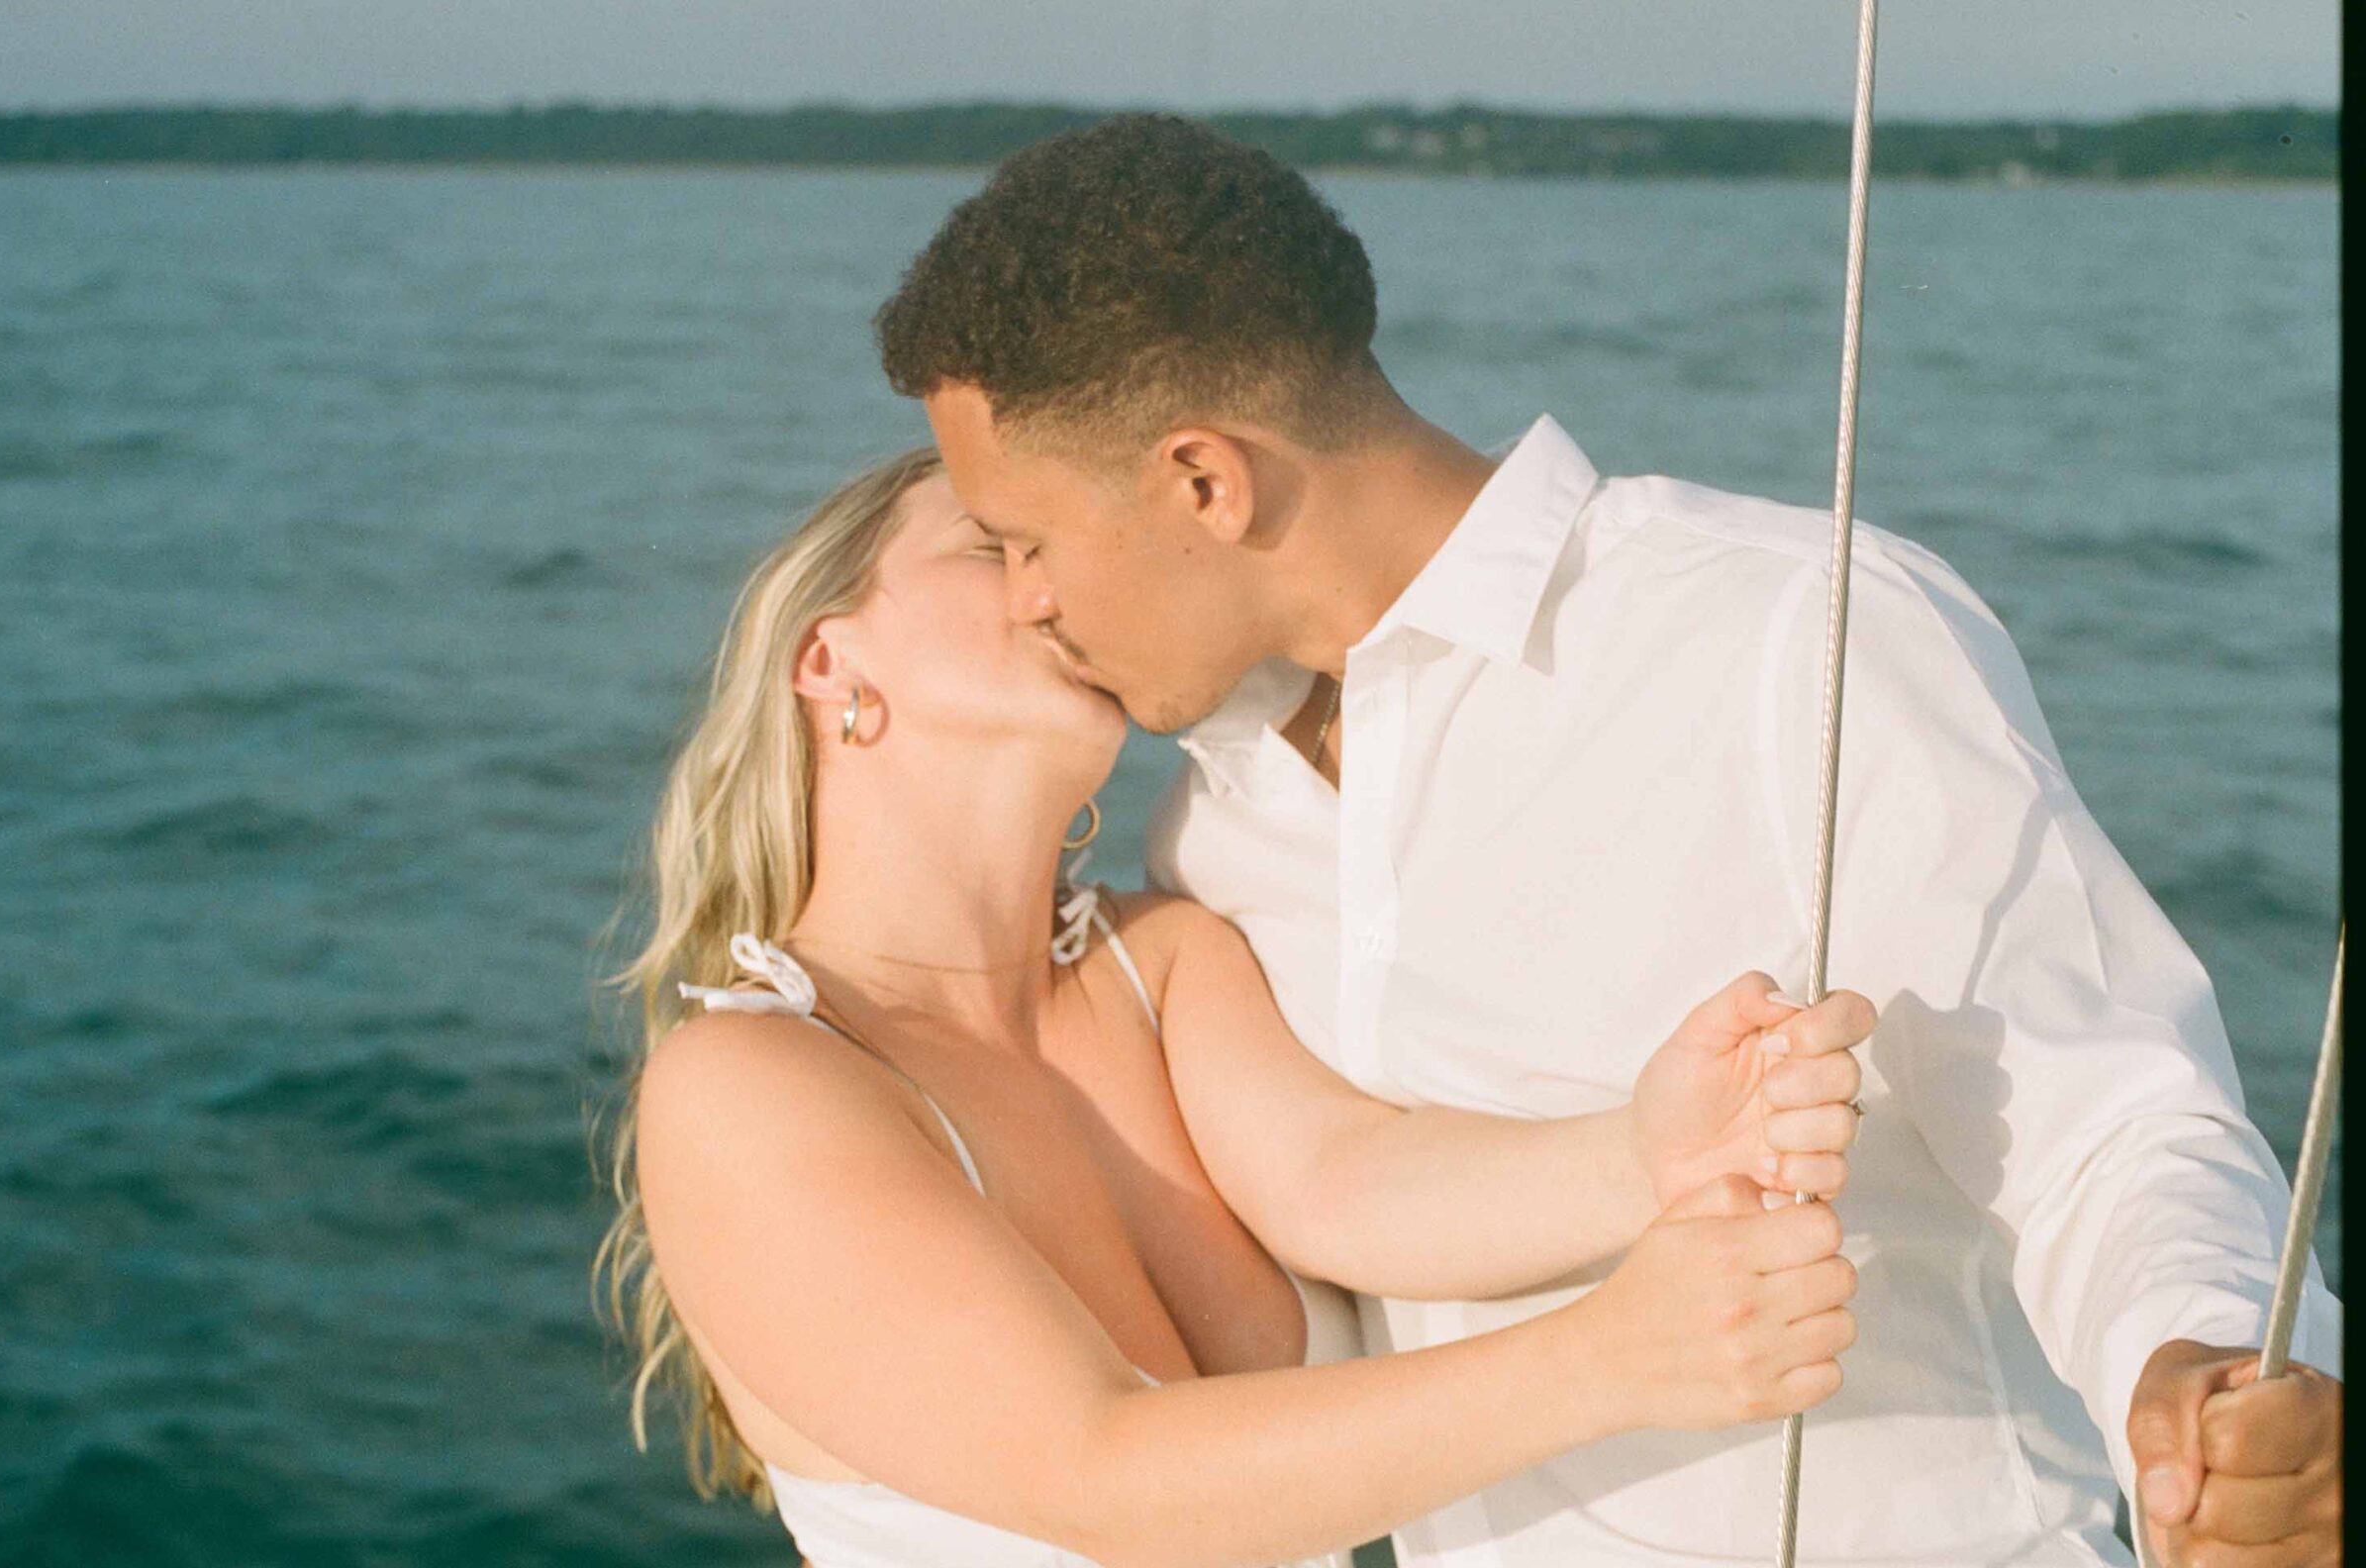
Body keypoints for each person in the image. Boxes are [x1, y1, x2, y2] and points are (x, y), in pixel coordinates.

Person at [876, 114, 2344, 1568]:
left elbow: (2104, 1118)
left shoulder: (1789, 635)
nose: (1024, 602)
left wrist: (2192, 1365)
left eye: (1025, 541)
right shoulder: (1215, 826)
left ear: (1206, 481)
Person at [592, 446, 1879, 1568]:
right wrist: (1612, 1357)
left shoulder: (1162, 955)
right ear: (830, 661)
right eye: (996, 547)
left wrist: (1655, 1150)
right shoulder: (750, 1083)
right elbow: (1101, 1478)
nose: (1054, 586)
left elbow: (1348, 1180)